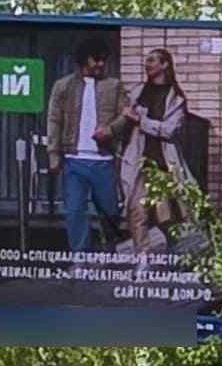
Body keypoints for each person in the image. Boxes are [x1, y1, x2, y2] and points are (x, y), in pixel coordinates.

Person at [41, 37, 129, 258]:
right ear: (83, 60)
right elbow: (54, 120)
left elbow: (127, 115)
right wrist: (53, 153)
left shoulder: (114, 86)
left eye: (103, 60)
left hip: (104, 160)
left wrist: (111, 129)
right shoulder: (63, 86)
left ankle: (109, 248)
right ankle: (80, 256)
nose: (100, 64)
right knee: (74, 211)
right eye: (96, 60)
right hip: (74, 159)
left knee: (109, 211)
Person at [122, 44, 204, 258]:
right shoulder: (138, 91)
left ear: (164, 65)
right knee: (136, 210)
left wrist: (142, 121)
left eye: (152, 60)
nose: (146, 64)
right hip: (142, 163)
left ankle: (177, 253)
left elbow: (170, 131)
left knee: (167, 216)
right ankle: (143, 257)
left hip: (165, 166)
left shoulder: (176, 98)